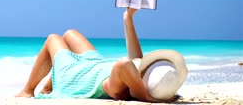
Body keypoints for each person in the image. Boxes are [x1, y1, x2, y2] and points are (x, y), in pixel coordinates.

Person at [15, 8, 176, 102]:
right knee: (70, 34)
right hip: (94, 63)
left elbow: (124, 64)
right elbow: (135, 59)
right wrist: (128, 18)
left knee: (53, 38)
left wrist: (147, 98)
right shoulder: (136, 76)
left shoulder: (119, 89)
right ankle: (48, 87)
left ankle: (28, 90)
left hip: (75, 76)